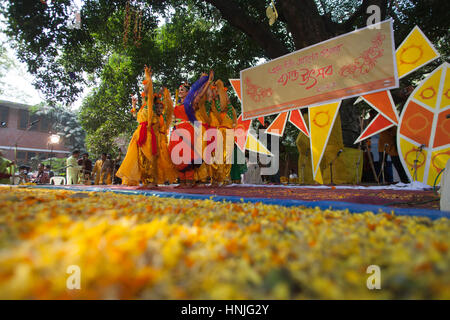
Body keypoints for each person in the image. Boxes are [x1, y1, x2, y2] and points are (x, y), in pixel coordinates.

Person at [168, 71, 213, 187]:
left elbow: (201, 94)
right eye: (180, 89)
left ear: (188, 92)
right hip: (177, 131)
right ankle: (182, 181)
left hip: (187, 130)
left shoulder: (191, 103)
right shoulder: (177, 105)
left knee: (187, 155)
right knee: (176, 155)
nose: (180, 91)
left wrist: (207, 82)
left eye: (183, 89)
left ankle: (189, 181)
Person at [116, 65, 158, 187]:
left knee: (148, 157)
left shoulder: (150, 105)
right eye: (143, 87)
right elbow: (136, 117)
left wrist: (148, 76)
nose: (144, 90)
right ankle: (145, 180)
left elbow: (149, 90)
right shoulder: (143, 107)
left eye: (145, 86)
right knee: (140, 158)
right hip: (139, 133)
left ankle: (151, 180)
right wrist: (133, 106)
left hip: (148, 134)